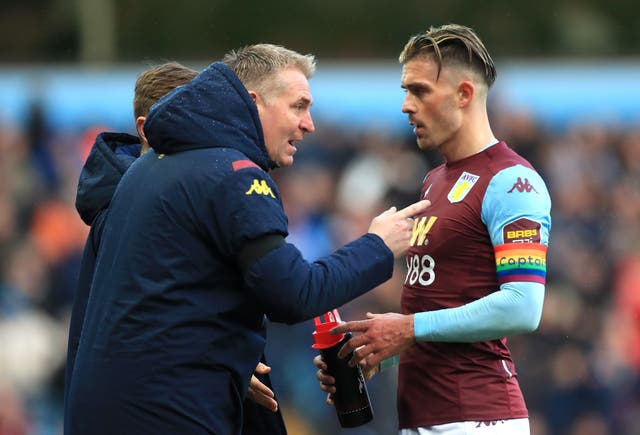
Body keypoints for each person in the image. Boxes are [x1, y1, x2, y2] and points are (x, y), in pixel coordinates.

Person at [65, 44, 429, 435]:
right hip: (168, 411)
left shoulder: (143, 173)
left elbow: (156, 306)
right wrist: (377, 245)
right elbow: (293, 294)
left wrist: (227, 358)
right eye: (298, 106)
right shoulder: (234, 173)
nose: (310, 124)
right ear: (254, 101)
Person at [314, 24, 552, 435]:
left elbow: (523, 306)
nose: (406, 105)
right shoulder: (434, 181)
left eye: (420, 91)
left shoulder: (513, 181)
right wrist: (375, 349)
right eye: (406, 90)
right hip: (426, 416)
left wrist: (406, 327)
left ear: (464, 94)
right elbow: (442, 310)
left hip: (479, 416)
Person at [64, 61, 287, 435]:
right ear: (146, 129)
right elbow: (135, 335)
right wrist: (219, 363)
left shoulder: (191, 198)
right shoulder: (127, 215)